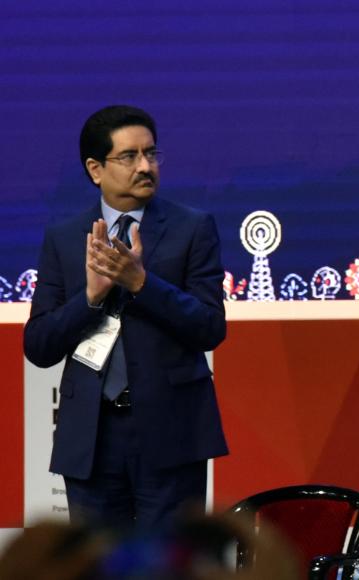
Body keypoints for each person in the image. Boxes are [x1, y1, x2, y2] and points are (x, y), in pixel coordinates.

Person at [23, 105, 228, 531]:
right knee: (98, 565)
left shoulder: (192, 228)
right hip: (92, 438)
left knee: (171, 565)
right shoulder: (64, 238)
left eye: (151, 154)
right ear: (96, 169)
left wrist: (141, 283)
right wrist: (91, 298)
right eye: (129, 157)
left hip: (172, 433)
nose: (145, 166)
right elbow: (39, 346)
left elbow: (210, 327)